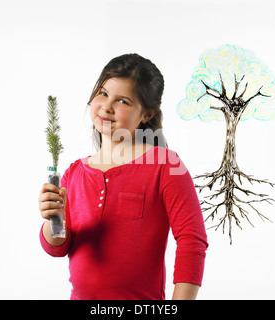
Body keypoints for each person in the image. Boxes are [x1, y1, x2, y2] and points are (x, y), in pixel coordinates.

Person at [38, 53, 208, 300]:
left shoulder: (166, 165)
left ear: (147, 114)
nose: (107, 107)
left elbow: (192, 241)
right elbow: (58, 247)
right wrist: (53, 219)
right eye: (103, 93)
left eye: (123, 102)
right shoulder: (74, 173)